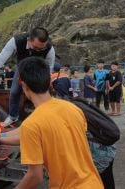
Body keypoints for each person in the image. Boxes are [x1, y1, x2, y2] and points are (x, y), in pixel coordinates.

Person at [14, 57, 103, 189]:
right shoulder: (73, 108)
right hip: (94, 183)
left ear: (23, 84)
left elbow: (35, 176)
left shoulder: (31, 125)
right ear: (49, 80)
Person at [0, 27, 55, 127]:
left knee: (40, 92)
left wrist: (47, 81)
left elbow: (49, 66)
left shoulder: (50, 48)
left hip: (38, 69)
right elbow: (1, 59)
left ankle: (45, 115)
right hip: (21, 68)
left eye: (41, 49)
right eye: (35, 47)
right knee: (15, 91)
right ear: (29, 40)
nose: (38, 50)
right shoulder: (16, 41)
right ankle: (13, 116)